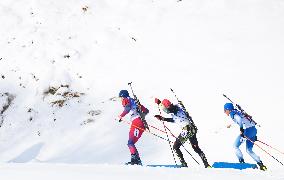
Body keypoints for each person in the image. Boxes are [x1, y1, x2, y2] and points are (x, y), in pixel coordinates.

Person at [154, 98, 211, 168]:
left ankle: (184, 165)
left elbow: (167, 110)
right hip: (192, 129)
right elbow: (175, 119)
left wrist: (159, 104)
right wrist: (163, 119)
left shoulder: (173, 109)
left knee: (175, 147)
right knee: (196, 148)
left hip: (187, 130)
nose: (166, 110)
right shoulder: (176, 109)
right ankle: (207, 164)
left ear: (168, 106)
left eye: (166, 107)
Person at [224, 102, 267, 170]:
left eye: (225, 110)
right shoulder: (239, 112)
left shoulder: (233, 113)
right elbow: (243, 120)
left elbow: (239, 120)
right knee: (249, 150)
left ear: (228, 109)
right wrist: (231, 125)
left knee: (235, 146)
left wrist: (241, 129)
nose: (224, 112)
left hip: (247, 131)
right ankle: (261, 165)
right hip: (253, 130)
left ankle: (241, 162)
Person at [117, 90, 149, 165]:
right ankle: (137, 160)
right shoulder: (134, 101)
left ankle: (135, 161)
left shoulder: (126, 99)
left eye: (121, 97)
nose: (121, 99)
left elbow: (127, 109)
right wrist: (140, 114)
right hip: (141, 122)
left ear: (123, 96)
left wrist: (121, 116)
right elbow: (146, 111)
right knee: (131, 143)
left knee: (130, 143)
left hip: (136, 122)